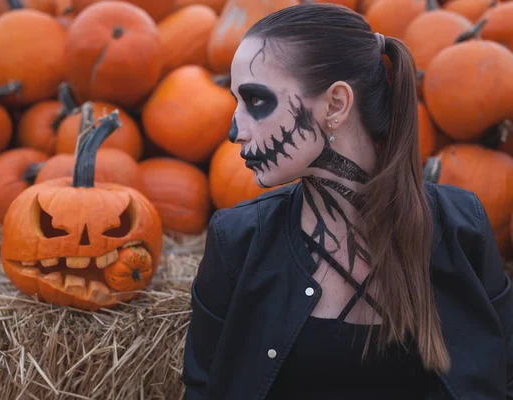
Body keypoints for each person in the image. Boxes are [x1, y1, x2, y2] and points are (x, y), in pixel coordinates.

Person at [181, 3, 513, 400]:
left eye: (256, 101)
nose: (236, 130)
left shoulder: (461, 228)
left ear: (336, 104)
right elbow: (204, 389)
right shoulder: (237, 241)